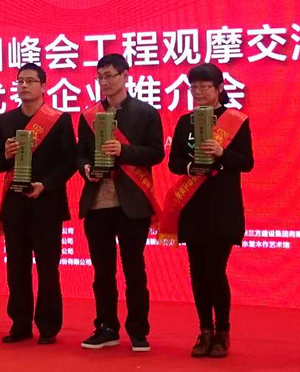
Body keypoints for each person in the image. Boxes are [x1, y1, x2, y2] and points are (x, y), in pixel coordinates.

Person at [163, 63, 253, 358]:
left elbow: (247, 162)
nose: (199, 92)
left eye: (205, 86)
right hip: (193, 206)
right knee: (198, 273)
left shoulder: (235, 120)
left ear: (219, 88)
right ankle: (204, 331)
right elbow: (174, 163)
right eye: (194, 87)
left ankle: (222, 332)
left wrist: (221, 153)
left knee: (215, 270)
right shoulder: (184, 122)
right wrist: (192, 167)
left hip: (223, 207)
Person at [77, 54, 164, 352]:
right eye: (100, 76)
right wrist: (85, 168)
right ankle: (106, 327)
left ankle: (138, 330)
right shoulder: (88, 116)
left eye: (110, 75)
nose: (105, 82)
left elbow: (156, 153)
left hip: (132, 204)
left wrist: (123, 151)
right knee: (102, 272)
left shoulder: (146, 113)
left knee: (134, 269)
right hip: (97, 203)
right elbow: (80, 153)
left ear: (126, 76)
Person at [0, 63, 76, 344]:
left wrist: (46, 184)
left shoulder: (59, 120)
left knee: (47, 267)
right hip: (15, 205)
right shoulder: (6, 120)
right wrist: (5, 155)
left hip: (47, 204)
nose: (24, 85)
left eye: (30, 81)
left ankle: (49, 325)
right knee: (16, 268)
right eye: (20, 81)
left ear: (44, 86)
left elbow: (69, 161)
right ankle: (20, 323)